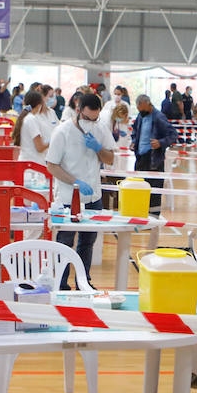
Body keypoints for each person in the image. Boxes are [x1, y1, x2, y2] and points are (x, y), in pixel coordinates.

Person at [46, 92, 117, 290]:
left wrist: (98, 149)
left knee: (88, 242)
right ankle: (60, 283)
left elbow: (110, 158)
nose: (91, 122)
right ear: (78, 111)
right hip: (69, 197)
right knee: (65, 242)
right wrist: (75, 181)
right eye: (87, 118)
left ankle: (83, 282)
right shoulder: (62, 132)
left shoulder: (100, 128)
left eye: (95, 118)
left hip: (93, 196)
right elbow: (52, 165)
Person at [130, 95, 176, 217]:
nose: (140, 112)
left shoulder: (159, 117)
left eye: (142, 109)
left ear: (148, 104)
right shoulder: (140, 116)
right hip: (140, 158)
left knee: (154, 191)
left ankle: (153, 218)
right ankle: (139, 215)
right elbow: (134, 131)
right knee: (139, 188)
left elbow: (173, 135)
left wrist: (160, 143)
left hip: (154, 160)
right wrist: (134, 141)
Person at [13, 90, 53, 167]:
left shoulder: (26, 118)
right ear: (39, 105)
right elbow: (40, 147)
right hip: (33, 165)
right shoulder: (31, 119)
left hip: (28, 163)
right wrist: (52, 141)